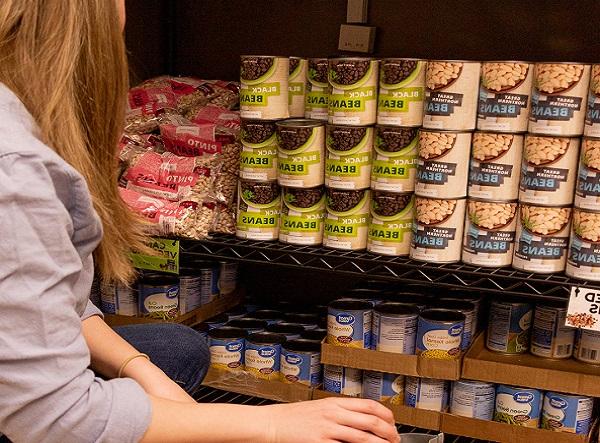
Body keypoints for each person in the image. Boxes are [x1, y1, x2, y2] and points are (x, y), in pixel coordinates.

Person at [0, 1, 400, 442]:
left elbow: (55, 305)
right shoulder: (17, 173)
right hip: (37, 420)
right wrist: (271, 425)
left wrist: (140, 371)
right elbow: (54, 421)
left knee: (175, 351)